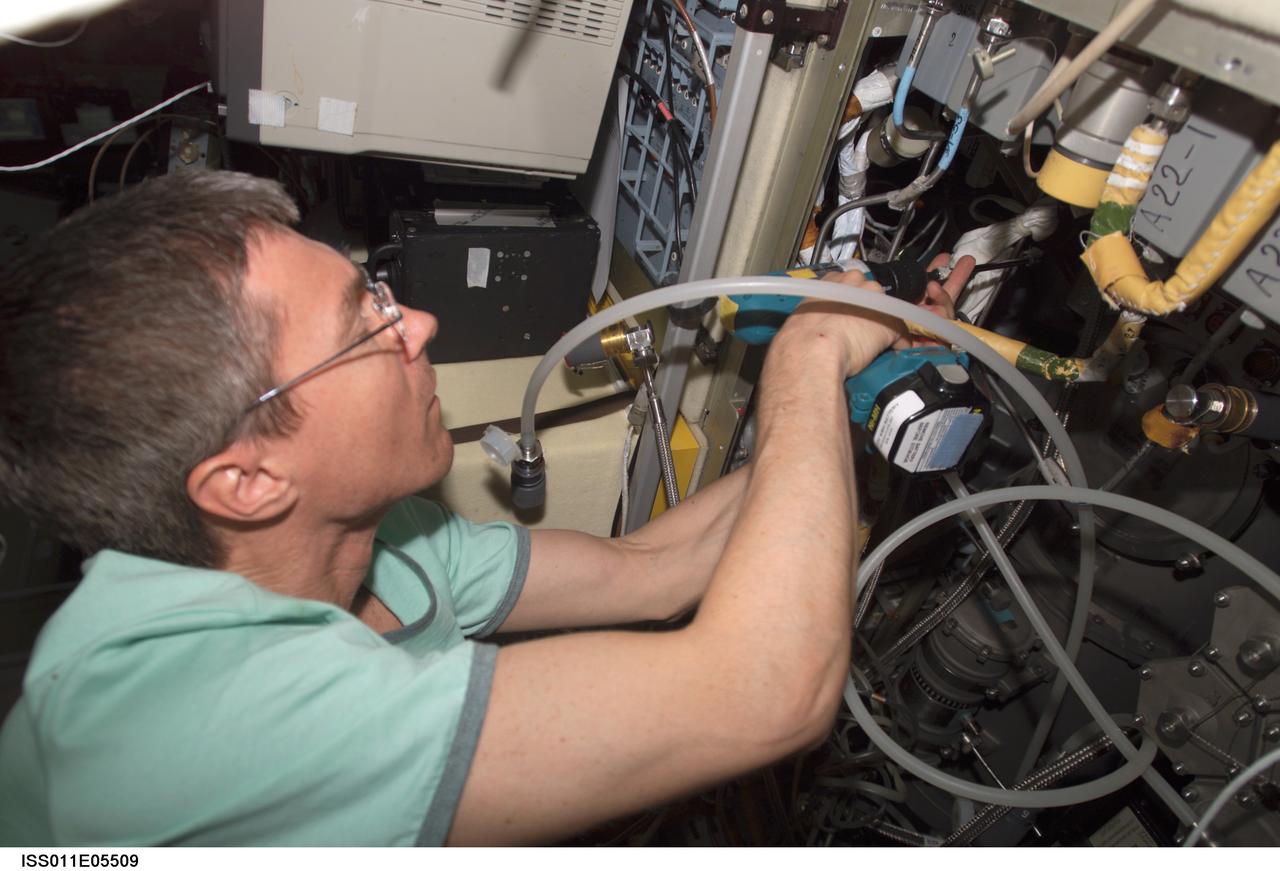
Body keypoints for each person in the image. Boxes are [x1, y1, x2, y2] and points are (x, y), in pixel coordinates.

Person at [0, 170, 974, 846]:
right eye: (363, 327)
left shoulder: (373, 540)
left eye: (374, 290)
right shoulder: (189, 720)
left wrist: (851, 385)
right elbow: (762, 694)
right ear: (246, 481)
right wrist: (804, 361)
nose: (415, 321)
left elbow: (652, 573)